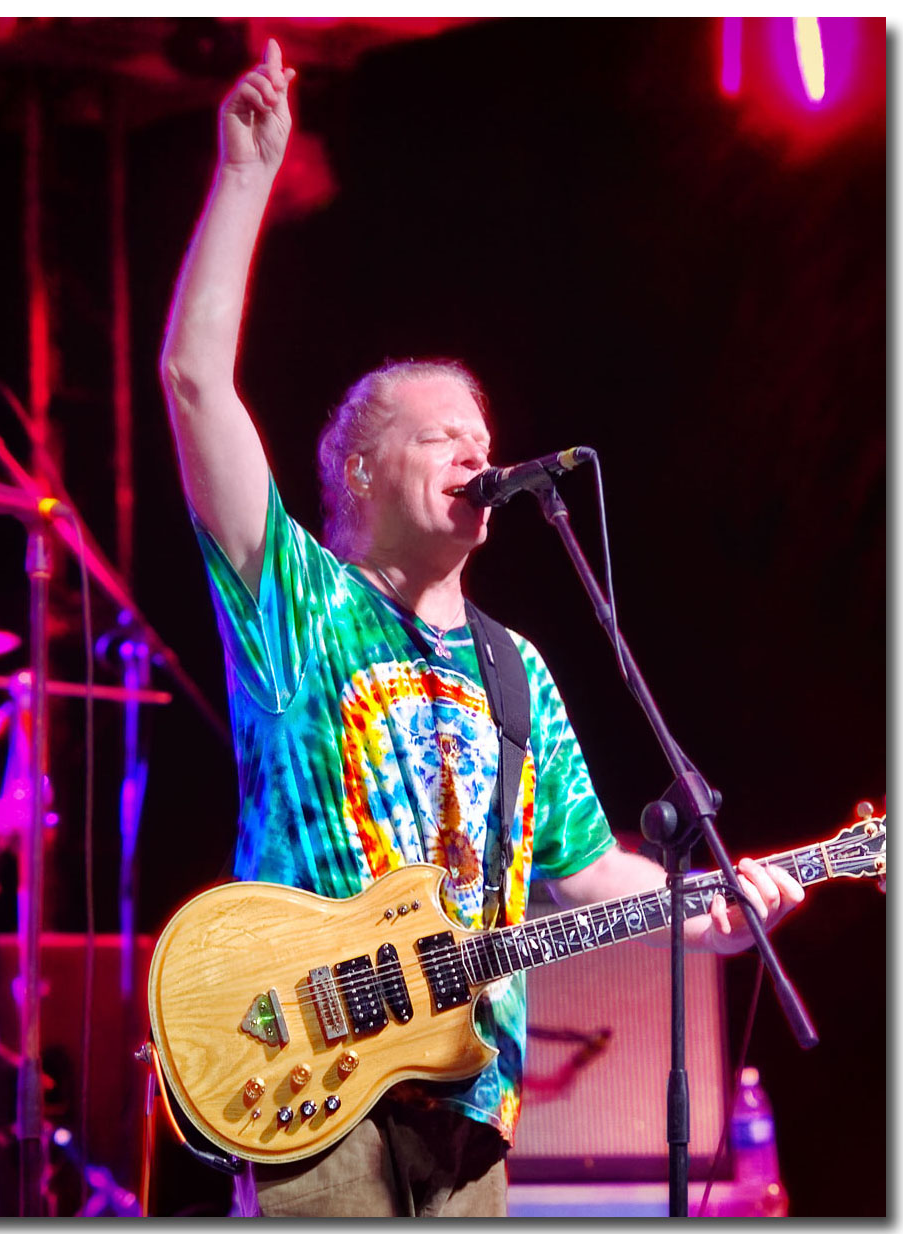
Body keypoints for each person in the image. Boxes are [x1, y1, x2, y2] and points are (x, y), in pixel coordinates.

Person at [159, 40, 804, 1219]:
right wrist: (245, 177)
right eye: (438, 434)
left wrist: (703, 913)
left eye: (481, 435)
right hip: (316, 1084)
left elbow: (582, 867)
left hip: (471, 1105)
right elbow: (195, 380)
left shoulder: (516, 671)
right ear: (359, 471)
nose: (474, 449)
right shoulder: (298, 600)